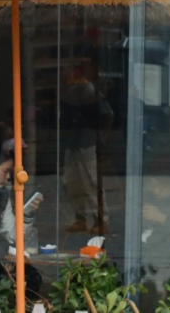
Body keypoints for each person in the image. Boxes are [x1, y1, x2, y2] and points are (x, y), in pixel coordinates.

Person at [60, 55, 113, 235]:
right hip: (74, 140)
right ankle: (81, 217)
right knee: (71, 181)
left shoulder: (88, 90)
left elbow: (106, 114)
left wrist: (100, 135)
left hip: (87, 141)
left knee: (90, 181)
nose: (63, 74)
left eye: (66, 70)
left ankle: (100, 219)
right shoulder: (71, 91)